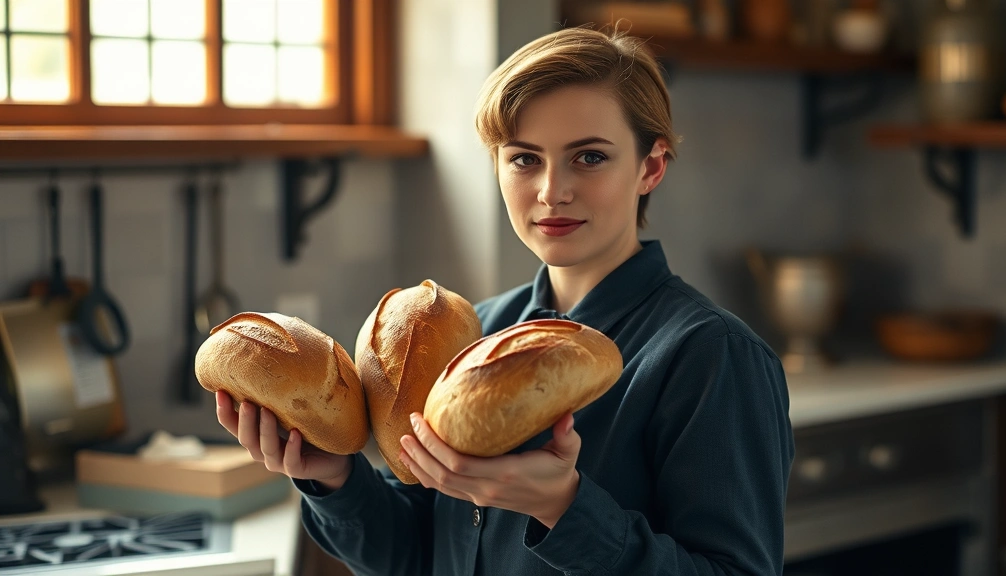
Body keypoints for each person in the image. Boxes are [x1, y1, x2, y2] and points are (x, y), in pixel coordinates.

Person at [216, 26, 794, 576]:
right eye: (524, 158)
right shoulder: (475, 331)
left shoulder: (714, 357)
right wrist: (335, 479)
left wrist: (566, 510)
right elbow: (417, 559)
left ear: (650, 166)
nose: (551, 191)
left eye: (589, 156)